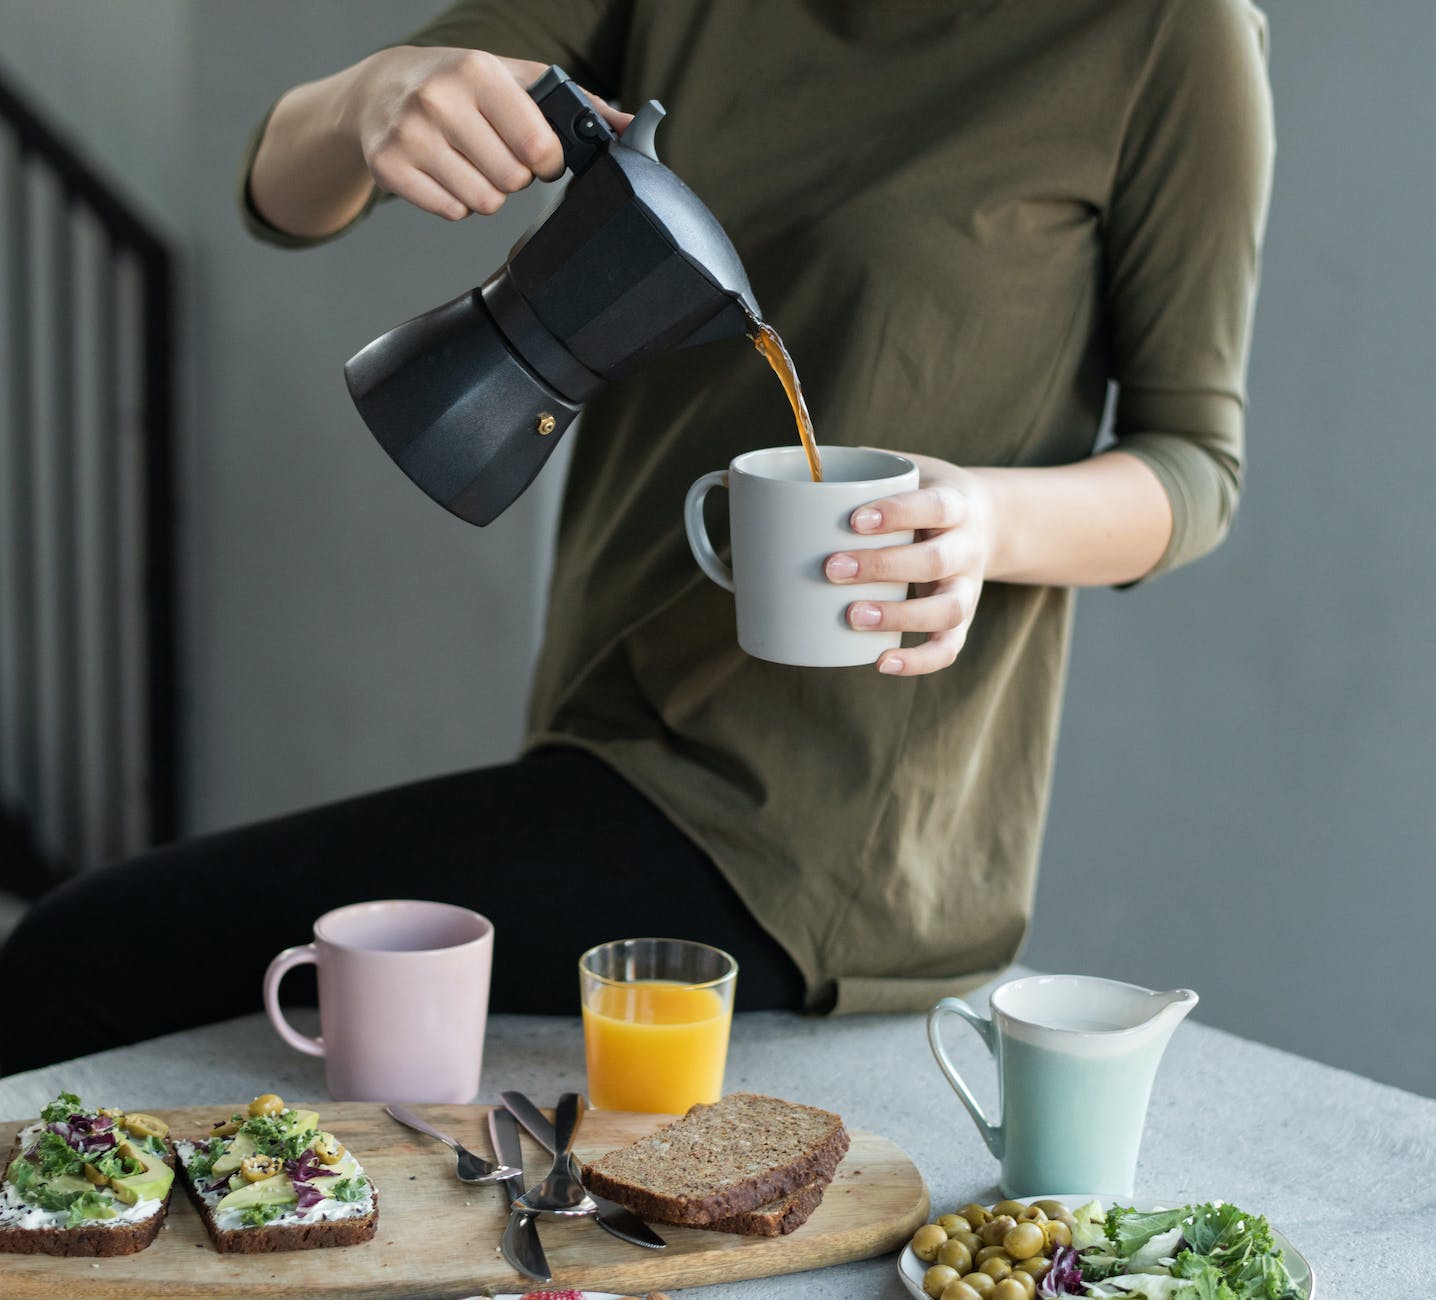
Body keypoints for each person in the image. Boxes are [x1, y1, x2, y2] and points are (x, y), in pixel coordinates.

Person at [0, 0, 1273, 1072]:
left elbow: (1193, 464)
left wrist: (983, 522)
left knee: (82, 956)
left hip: (823, 835)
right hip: (596, 737)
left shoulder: (1167, 33)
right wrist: (371, 98)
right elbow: (285, 190)